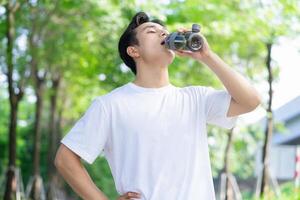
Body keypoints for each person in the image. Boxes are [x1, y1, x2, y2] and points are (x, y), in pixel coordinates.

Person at [54, 11, 261, 200]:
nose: (163, 34)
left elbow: (250, 101)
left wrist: (207, 56)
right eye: (152, 31)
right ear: (134, 51)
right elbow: (65, 159)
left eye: (165, 31)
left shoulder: (195, 98)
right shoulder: (110, 105)